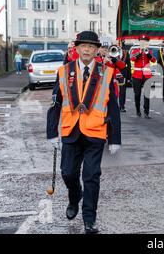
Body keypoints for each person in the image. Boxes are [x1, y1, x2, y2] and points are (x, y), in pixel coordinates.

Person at [46, 31, 121, 234]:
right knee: (68, 172)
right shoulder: (64, 71)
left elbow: (113, 107)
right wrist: (51, 131)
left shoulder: (107, 72)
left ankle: (90, 219)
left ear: (97, 50)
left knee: (91, 176)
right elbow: (56, 103)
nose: (87, 49)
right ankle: (74, 195)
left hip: (95, 132)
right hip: (70, 130)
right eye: (83, 46)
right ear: (76, 49)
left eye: (91, 46)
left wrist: (115, 138)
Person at [131, 35, 156, 119]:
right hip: (137, 75)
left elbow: (153, 60)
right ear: (139, 42)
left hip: (147, 74)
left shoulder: (149, 51)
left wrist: (147, 53)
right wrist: (140, 52)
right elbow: (132, 59)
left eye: (145, 41)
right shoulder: (135, 50)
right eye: (142, 41)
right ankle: (138, 110)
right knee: (137, 94)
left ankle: (146, 112)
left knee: (147, 94)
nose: (143, 43)